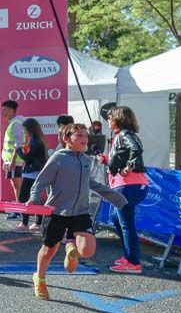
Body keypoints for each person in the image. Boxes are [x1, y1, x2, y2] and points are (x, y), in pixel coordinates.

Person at [27, 123, 127, 300]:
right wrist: (34, 199)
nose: (84, 139)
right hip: (56, 211)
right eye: (79, 135)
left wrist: (118, 199)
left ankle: (72, 251)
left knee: (88, 250)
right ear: (66, 139)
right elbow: (41, 181)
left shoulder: (87, 160)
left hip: (80, 212)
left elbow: (93, 184)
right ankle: (40, 278)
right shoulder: (58, 158)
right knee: (49, 250)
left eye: (86, 136)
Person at [104, 106, 149, 274]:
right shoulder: (120, 136)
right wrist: (108, 161)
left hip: (128, 185)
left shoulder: (125, 134)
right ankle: (130, 256)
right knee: (116, 218)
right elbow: (122, 156)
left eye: (110, 118)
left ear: (117, 119)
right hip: (127, 185)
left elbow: (136, 149)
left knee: (126, 224)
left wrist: (128, 167)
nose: (108, 121)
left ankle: (133, 262)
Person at [15, 118, 48, 233]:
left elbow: (27, 157)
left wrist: (18, 150)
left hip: (32, 173)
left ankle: (24, 224)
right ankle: (37, 223)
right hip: (36, 172)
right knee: (36, 198)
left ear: (29, 129)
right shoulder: (39, 140)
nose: (24, 132)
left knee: (24, 197)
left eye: (25, 130)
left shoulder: (35, 141)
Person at [1, 100, 25, 219]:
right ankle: (18, 209)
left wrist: (12, 161)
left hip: (16, 161)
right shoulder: (13, 123)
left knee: (17, 186)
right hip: (11, 160)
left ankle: (20, 211)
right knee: (15, 185)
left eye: (5, 109)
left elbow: (18, 143)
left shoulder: (16, 123)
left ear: (11, 110)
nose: (2, 111)